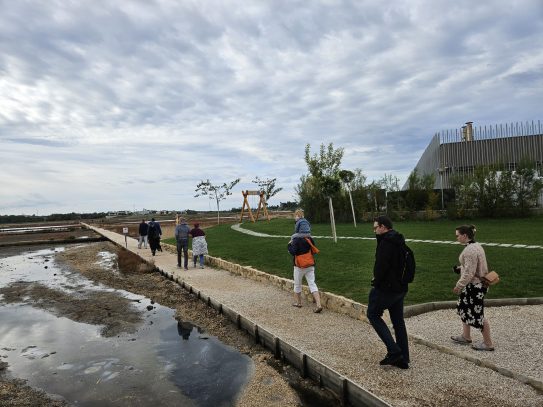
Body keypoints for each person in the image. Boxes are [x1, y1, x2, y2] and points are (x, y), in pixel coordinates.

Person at [366, 215, 410, 369]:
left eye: (375, 227)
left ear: (383, 227)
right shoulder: (399, 240)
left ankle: (394, 351)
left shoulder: (386, 243)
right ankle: (403, 358)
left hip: (387, 288)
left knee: (373, 314)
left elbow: (381, 266)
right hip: (400, 288)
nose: (374, 230)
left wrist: (376, 281)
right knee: (398, 322)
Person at [451, 224, 494, 351]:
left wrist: (459, 285)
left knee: (477, 314)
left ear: (465, 235)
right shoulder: (476, 245)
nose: (456, 238)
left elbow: (470, 273)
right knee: (463, 308)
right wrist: (460, 268)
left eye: (457, 235)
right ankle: (466, 336)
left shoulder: (470, 250)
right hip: (475, 285)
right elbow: (471, 267)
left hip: (474, 287)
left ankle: (488, 343)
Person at [287, 235, 323, 313]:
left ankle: (298, 303)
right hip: (310, 264)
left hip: (299, 266)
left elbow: (293, 252)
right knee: (312, 284)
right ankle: (319, 305)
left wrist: (289, 245)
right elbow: (313, 248)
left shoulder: (296, 239)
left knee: (297, 284)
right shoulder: (309, 238)